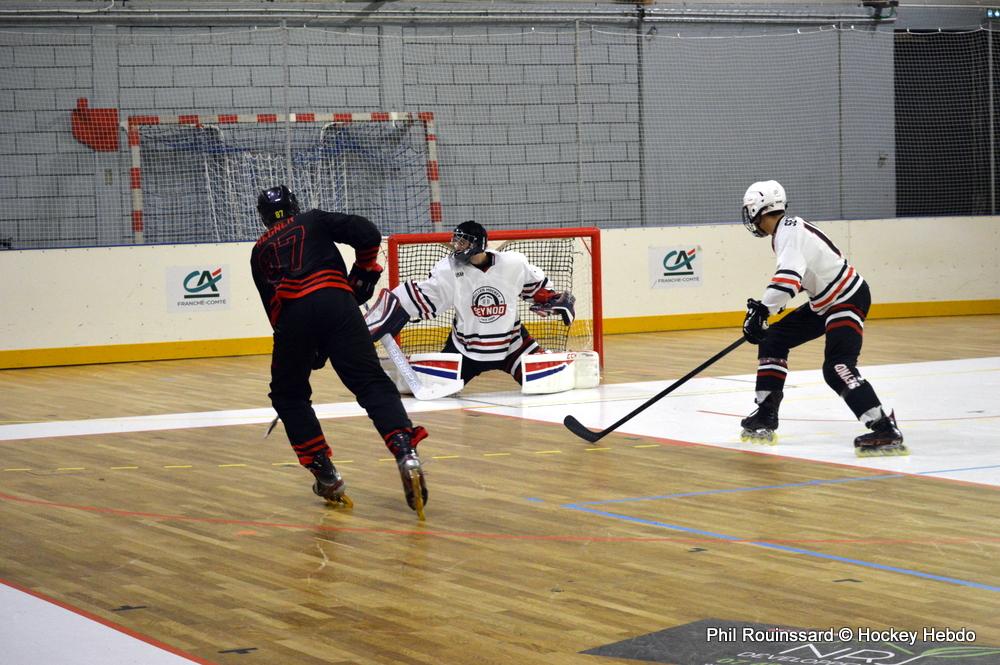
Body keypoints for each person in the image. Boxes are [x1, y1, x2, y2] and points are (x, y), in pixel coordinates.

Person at [250, 184, 428, 515]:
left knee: (289, 397)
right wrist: (361, 275)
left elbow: (273, 310)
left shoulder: (258, 253)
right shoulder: (312, 219)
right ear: (294, 205)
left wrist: (308, 347)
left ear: (262, 218)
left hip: (292, 319)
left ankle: (325, 473)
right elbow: (368, 234)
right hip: (336, 302)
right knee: (371, 383)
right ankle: (404, 448)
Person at [738, 180, 907, 457]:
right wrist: (768, 312)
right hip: (826, 301)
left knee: (837, 367)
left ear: (757, 208)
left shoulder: (788, 233)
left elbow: (788, 279)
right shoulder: (788, 231)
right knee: (774, 339)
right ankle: (766, 415)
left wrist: (762, 311)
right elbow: (801, 279)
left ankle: (883, 428)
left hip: (845, 299)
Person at [365, 220, 576, 386]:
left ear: (478, 244)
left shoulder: (512, 263)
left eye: (463, 242)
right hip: (465, 350)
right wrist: (391, 309)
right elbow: (424, 295)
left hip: (513, 346)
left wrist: (552, 300)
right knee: (425, 383)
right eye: (456, 241)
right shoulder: (449, 270)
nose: (457, 246)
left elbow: (538, 291)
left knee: (549, 379)